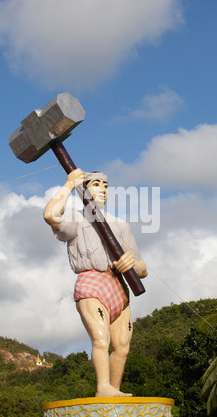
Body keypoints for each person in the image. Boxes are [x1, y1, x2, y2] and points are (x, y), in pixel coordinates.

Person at [44, 168, 147, 397]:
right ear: (85, 189)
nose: (102, 189)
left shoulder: (120, 225)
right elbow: (50, 215)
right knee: (101, 339)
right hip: (91, 281)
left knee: (122, 346)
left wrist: (131, 264)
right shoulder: (76, 218)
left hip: (118, 285)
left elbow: (142, 269)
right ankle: (103, 387)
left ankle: (114, 391)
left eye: (105, 185)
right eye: (96, 184)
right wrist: (69, 184)